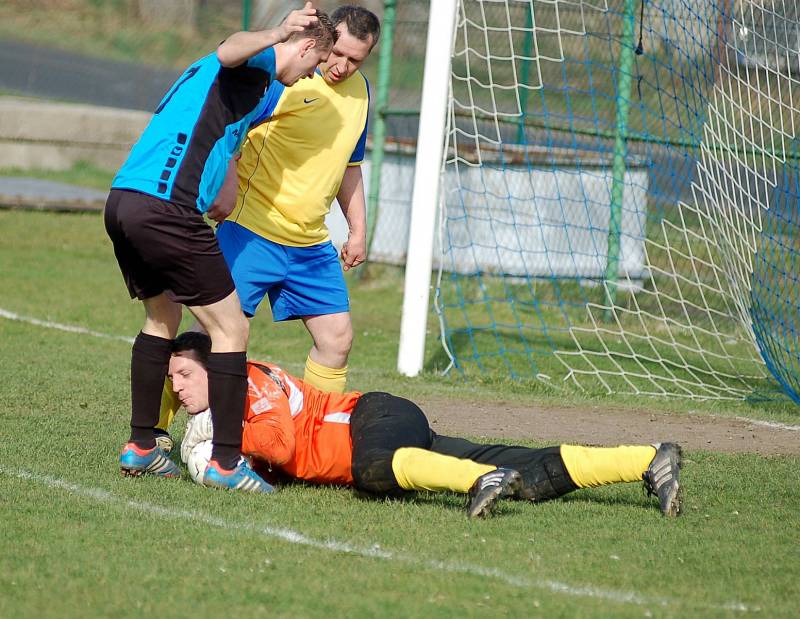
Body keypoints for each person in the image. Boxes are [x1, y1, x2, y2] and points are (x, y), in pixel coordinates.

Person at [104, 3, 337, 493]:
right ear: (301, 45)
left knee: (161, 319)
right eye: (313, 65)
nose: (307, 76)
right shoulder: (254, 64)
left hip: (126, 201)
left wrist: (224, 192)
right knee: (232, 327)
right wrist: (276, 31)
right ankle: (226, 463)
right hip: (168, 207)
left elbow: (224, 140)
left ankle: (141, 446)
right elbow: (230, 47)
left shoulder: (240, 89)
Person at [167, 332, 683, 517]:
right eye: (174, 380)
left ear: (215, 367)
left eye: (186, 374)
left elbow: (279, 446)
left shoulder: (249, 381)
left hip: (374, 418)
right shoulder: (234, 396)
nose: (181, 388)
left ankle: (476, 483)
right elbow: (279, 467)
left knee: (372, 471)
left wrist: (222, 441)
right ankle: (647, 458)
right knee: (527, 472)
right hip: (391, 428)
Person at [206, 5, 381, 395]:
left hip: (310, 242)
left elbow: (349, 166)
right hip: (250, 228)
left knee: (336, 340)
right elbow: (230, 130)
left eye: (355, 60)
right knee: (219, 332)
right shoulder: (286, 76)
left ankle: (313, 441)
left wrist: (358, 231)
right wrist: (225, 183)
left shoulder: (361, 92)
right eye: (337, 53)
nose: (341, 65)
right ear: (325, 40)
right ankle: (162, 430)